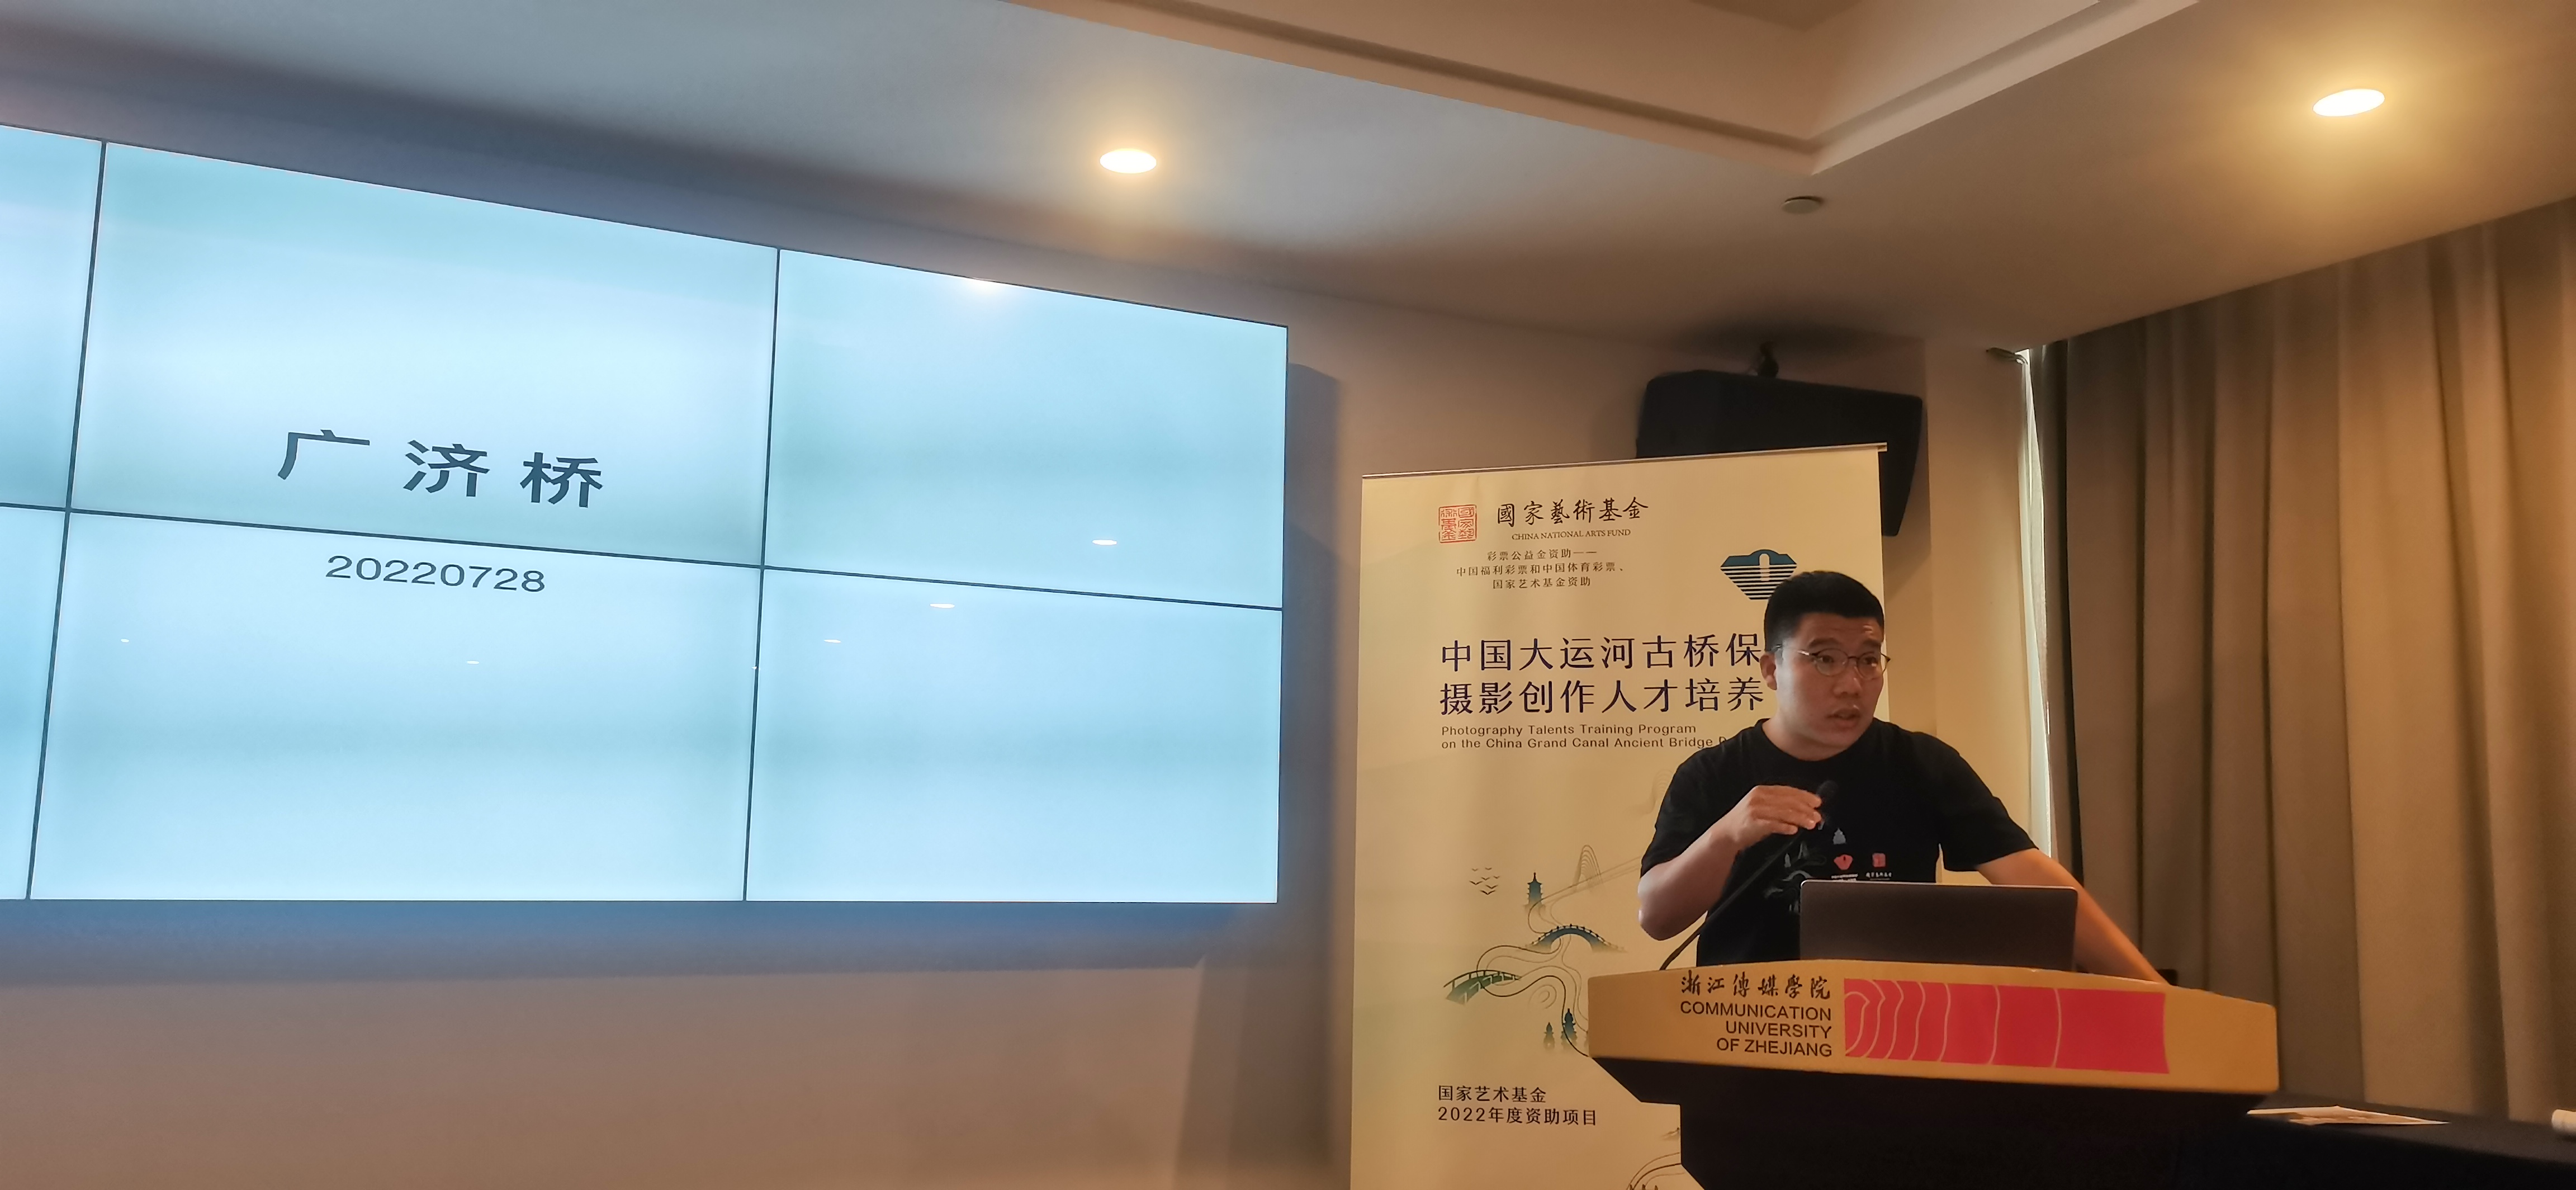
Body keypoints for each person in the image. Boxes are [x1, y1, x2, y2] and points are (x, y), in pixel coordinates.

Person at [1636, 570, 2161, 981]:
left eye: (1868, 660)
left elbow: (2032, 877)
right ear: (1771, 670)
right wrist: (1727, 835)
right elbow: (1658, 918)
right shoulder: (1713, 774)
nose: (1852, 684)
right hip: (1747, 1036)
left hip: (1892, 1028)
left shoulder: (1921, 764)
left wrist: (2159, 996)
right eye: (1825, 659)